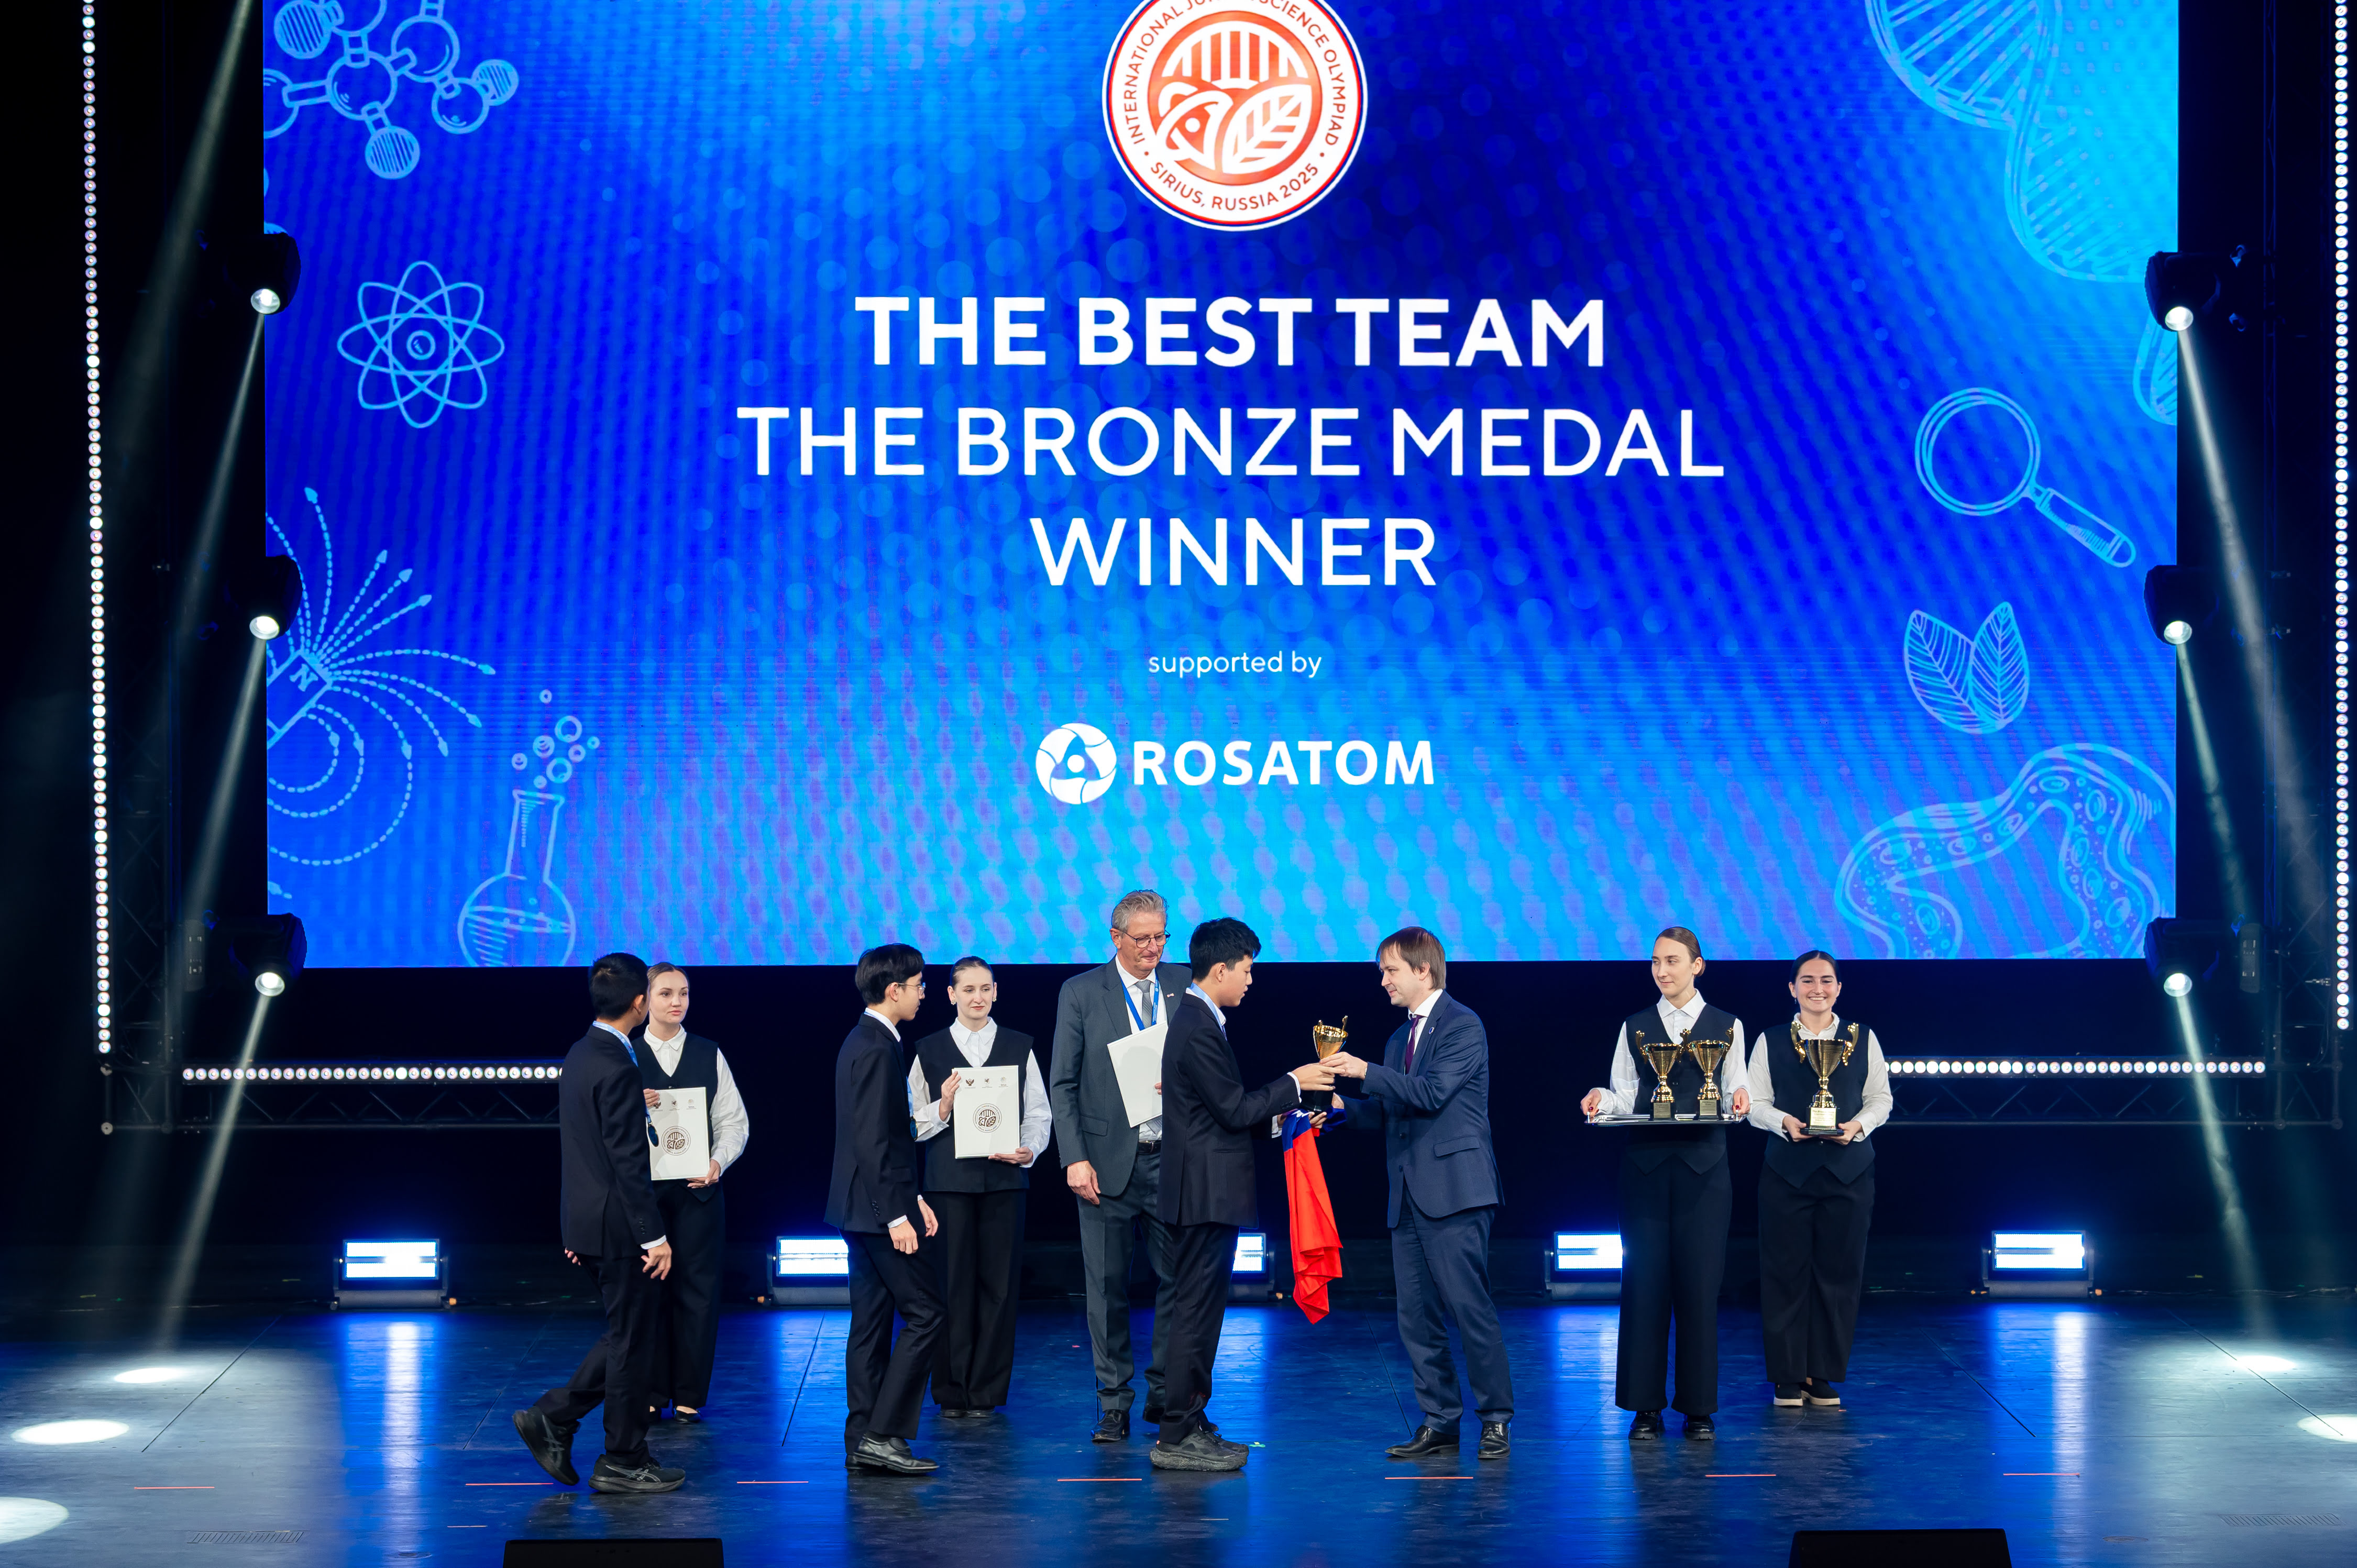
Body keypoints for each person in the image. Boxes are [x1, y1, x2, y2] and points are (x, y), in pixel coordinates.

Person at [1150, 916, 1335, 1472]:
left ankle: (1190, 1420)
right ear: (1220, 969)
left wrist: (1284, 1122)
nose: (1252, 981)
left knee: (1200, 1313)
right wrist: (1295, 1082)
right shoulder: (1196, 1025)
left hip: (1205, 1191)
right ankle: (1178, 1432)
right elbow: (1233, 1109)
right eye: (1247, 971)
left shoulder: (1200, 1019)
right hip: (1203, 1194)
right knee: (1195, 1314)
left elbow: (1219, 1114)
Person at [1324, 926, 1514, 1461]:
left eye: (1391, 971)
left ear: (1423, 970)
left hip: (1456, 1190)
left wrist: (1364, 1071)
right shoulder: (1396, 1040)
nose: (1383, 981)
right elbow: (1393, 1112)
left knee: (1468, 1308)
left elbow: (1431, 1093)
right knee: (1416, 1316)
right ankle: (1440, 1420)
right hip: (1407, 1193)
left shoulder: (1463, 1024)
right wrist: (1341, 1110)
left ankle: (1496, 1418)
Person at [513, 952, 685, 1494]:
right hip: (619, 1228)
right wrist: (654, 1237)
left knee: (624, 1337)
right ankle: (622, 1459)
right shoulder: (616, 1065)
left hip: (590, 1223)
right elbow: (627, 1165)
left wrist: (577, 1230)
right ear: (639, 1003)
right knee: (632, 1345)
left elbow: (580, 1146)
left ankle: (555, 1418)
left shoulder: (582, 1052)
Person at [1579, 926, 1750, 1442]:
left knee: (1699, 1288)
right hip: (1646, 1170)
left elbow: (1737, 1086)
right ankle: (1645, 1408)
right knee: (1644, 1287)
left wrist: (1741, 1098)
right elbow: (1624, 1094)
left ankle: (1699, 1409)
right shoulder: (1635, 1026)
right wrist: (1600, 1097)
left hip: (1705, 1171)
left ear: (1698, 966)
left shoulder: (1728, 1025)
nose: (1662, 970)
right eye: (1656, 961)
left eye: (1673, 961)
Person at [1048, 889, 1192, 1442]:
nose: (1154, 948)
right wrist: (1075, 1157)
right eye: (1142, 939)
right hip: (1105, 1166)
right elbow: (1063, 1083)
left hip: (1172, 1161)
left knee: (1177, 1282)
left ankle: (1165, 1392)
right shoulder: (1082, 992)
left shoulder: (1184, 985)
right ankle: (1113, 1402)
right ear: (1116, 938)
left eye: (1161, 937)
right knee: (1107, 1288)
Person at [1745, 949, 1891, 1410]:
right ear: (1792, 988)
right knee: (1784, 1274)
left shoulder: (1862, 1038)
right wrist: (1784, 1122)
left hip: (1850, 1172)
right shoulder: (1770, 1040)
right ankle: (1788, 1376)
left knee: (1839, 1275)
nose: (1817, 989)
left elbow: (1881, 1098)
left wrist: (1858, 1126)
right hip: (1787, 1172)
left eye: (1826, 980)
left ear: (1839, 988)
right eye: (1807, 980)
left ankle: (1820, 1373)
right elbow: (1755, 1103)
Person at [906, 955, 1051, 1419]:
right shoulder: (929, 1050)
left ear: (996, 992)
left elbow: (1039, 1113)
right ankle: (951, 1391)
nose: (978, 997)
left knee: (999, 1288)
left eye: (985, 988)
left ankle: (986, 1391)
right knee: (950, 1287)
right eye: (968, 989)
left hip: (1005, 1183)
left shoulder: (1019, 1046)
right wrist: (942, 1107)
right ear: (951, 994)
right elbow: (910, 1124)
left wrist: (1029, 1150)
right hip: (948, 1184)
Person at [824, 943, 945, 1475]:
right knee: (927, 1314)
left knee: (871, 1324)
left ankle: (862, 1440)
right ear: (894, 991)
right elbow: (872, 1142)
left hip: (860, 1207)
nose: (923, 994)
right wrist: (897, 1216)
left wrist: (912, 1197)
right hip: (875, 1211)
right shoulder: (875, 1048)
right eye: (918, 986)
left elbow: (887, 1137)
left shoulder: (868, 1039)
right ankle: (883, 1434)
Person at [634, 962, 749, 1425]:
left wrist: (718, 1162)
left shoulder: (708, 1052)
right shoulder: (626, 1054)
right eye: (666, 993)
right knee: (648, 1292)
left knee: (699, 1292)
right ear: (644, 999)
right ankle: (650, 1390)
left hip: (699, 1192)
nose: (676, 1002)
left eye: (683, 993)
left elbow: (734, 1121)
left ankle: (689, 1394)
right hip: (644, 1197)